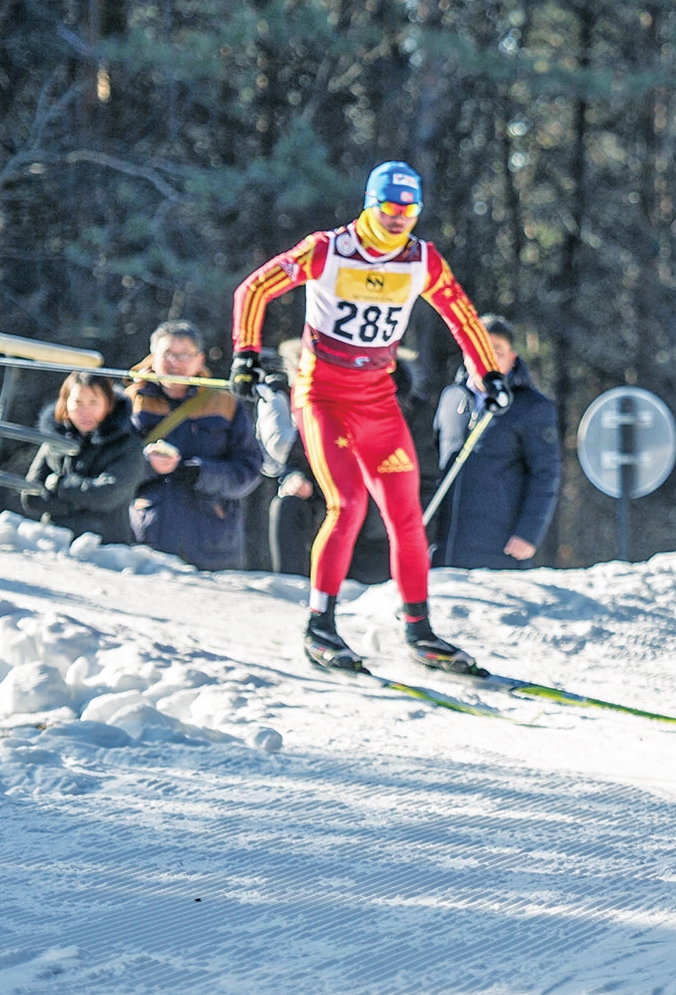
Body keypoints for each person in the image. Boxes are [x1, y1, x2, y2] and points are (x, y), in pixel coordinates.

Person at [229, 161, 508, 674]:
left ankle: (419, 631)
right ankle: (319, 625)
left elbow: (462, 316)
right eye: (391, 208)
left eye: (410, 209)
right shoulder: (327, 249)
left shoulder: (421, 259)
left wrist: (489, 376)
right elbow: (253, 290)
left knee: (407, 516)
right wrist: (245, 353)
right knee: (349, 505)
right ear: (370, 204)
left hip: (377, 401)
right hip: (323, 396)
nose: (401, 218)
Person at [128, 321, 264, 571]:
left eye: (184, 355)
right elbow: (110, 464)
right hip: (145, 539)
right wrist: (146, 465)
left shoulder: (226, 403)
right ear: (153, 357)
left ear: (200, 359)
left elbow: (250, 470)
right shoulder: (130, 402)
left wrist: (202, 474)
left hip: (213, 543)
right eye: (167, 354)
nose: (175, 362)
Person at [430, 315, 560, 570]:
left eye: (496, 352)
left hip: (500, 548)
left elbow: (546, 474)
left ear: (511, 358)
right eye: (478, 350)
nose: (486, 359)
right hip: (445, 548)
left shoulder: (532, 406)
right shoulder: (450, 397)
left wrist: (528, 533)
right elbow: (431, 462)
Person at [261, 340, 392, 583]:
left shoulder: (395, 401)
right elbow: (300, 452)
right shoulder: (316, 401)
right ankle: (292, 589)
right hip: (325, 507)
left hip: (375, 524)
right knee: (286, 506)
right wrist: (297, 477)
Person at [22, 372, 145, 543]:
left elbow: (109, 495)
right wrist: (76, 504)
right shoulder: (56, 438)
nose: (85, 412)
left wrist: (61, 485)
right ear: (65, 404)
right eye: (77, 403)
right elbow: (31, 495)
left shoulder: (128, 443)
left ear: (108, 404)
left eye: (94, 403)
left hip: (105, 546)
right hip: (53, 540)